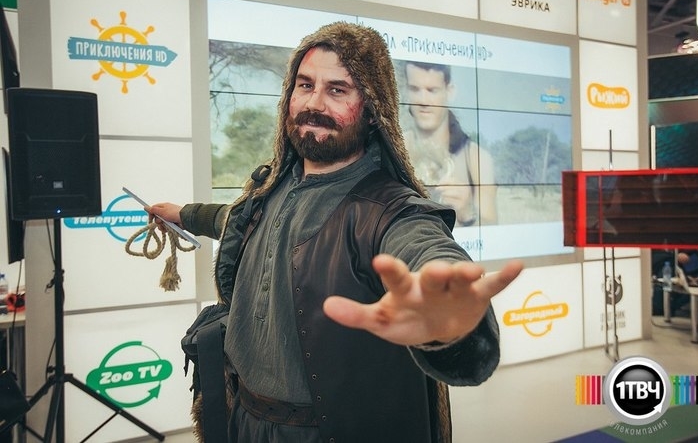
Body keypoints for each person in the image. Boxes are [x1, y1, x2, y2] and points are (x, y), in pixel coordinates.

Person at [148, 22, 522, 443]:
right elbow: (238, 223)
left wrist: (450, 324)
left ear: (372, 109)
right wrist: (184, 214)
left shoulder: (388, 209)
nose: (314, 103)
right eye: (305, 85)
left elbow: (422, 245)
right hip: (243, 422)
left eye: (338, 90)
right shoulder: (273, 186)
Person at [401, 60, 497, 227]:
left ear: (450, 91)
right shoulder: (392, 150)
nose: (423, 100)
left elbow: (492, 228)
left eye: (432, 90)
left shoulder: (478, 159)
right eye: (415, 89)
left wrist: (466, 213)